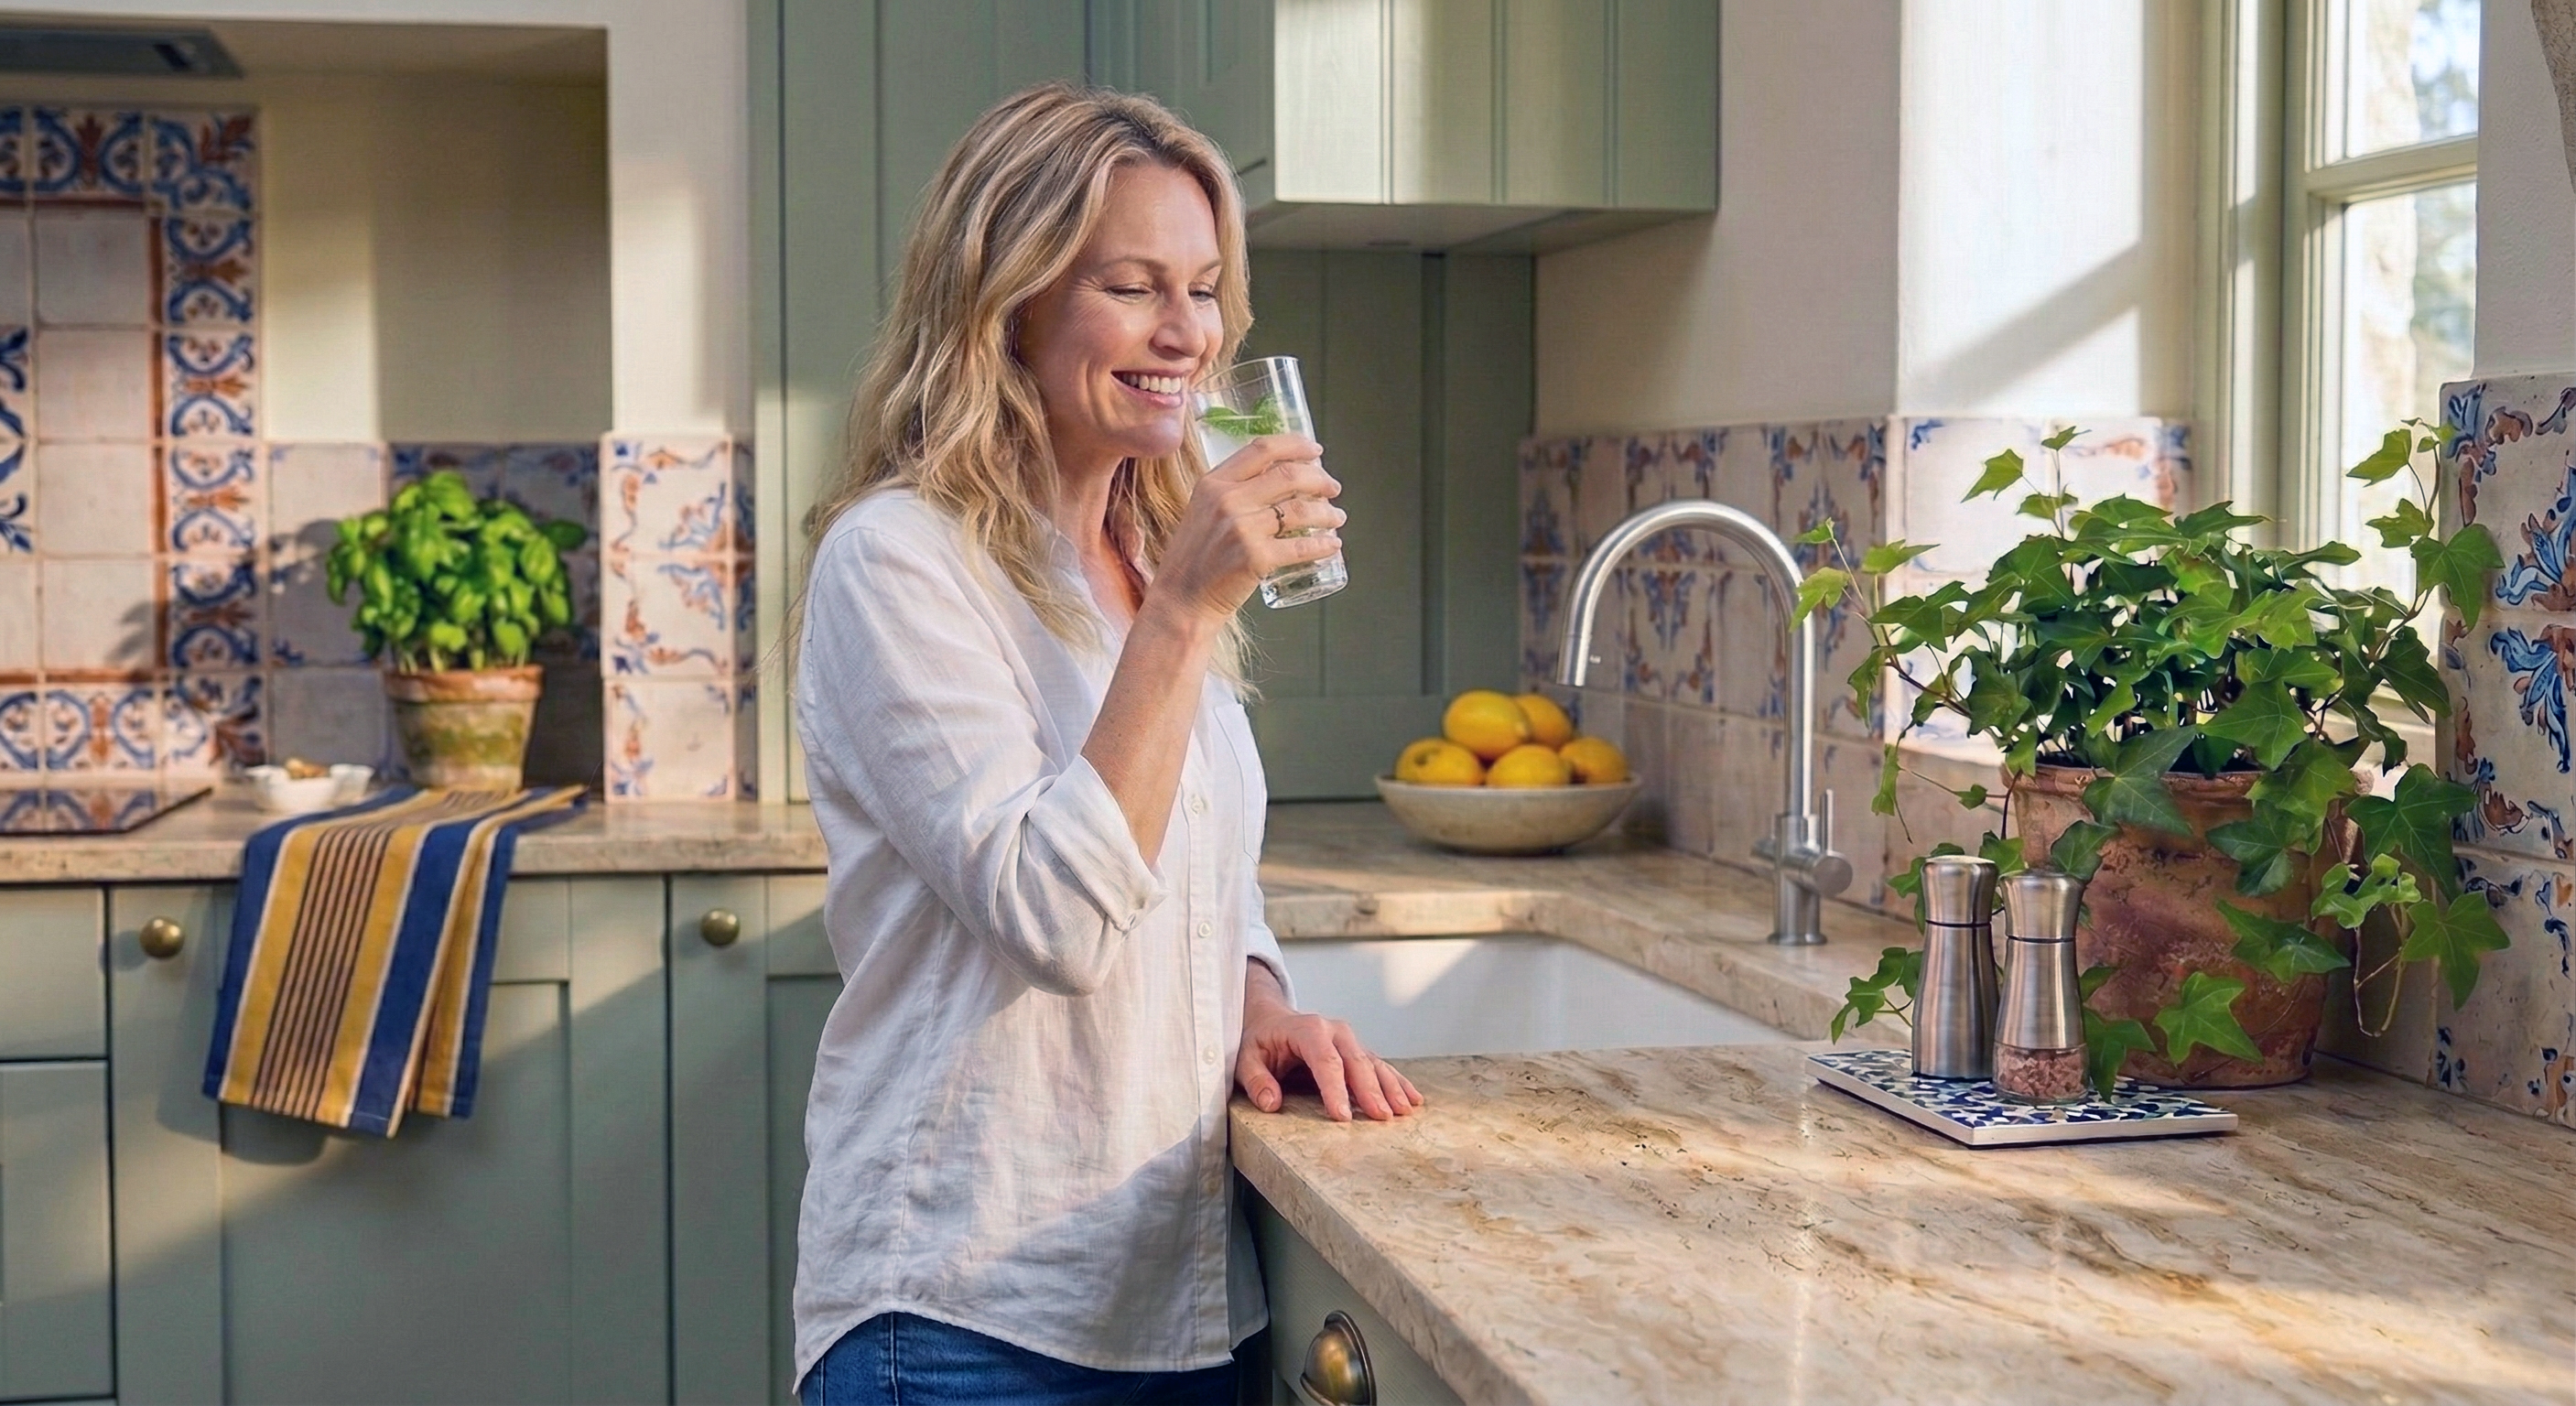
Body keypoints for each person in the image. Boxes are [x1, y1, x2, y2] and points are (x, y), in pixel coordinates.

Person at [788, 82, 1423, 1406]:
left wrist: (1261, 1005)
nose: (1184, 333)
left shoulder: (1140, 554)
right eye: (1132, 286)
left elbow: (1200, 863)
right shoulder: (898, 561)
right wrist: (1188, 612)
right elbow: (1058, 917)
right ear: (1003, 299)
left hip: (1185, 1295)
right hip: (974, 1310)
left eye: (1202, 291)